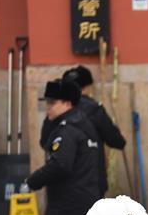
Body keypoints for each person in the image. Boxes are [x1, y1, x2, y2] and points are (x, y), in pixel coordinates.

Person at [26, 80, 101, 215]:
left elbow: (60, 165)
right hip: (85, 199)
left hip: (69, 205)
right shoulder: (84, 124)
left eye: (52, 103)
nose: (48, 108)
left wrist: (33, 181)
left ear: (68, 104)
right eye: (47, 103)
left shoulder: (67, 130)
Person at [39, 65, 126, 197]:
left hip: (60, 186)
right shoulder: (94, 109)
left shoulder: (56, 110)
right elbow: (116, 141)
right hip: (90, 185)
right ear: (88, 87)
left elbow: (44, 142)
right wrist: (120, 137)